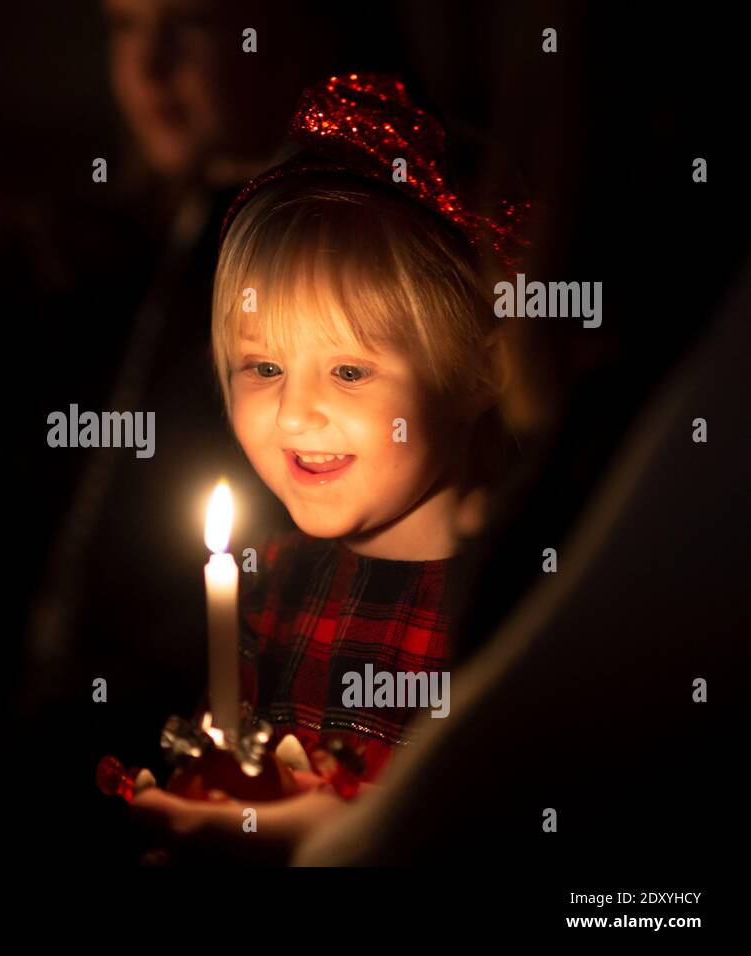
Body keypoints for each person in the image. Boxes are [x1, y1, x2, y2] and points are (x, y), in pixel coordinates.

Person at [129, 73, 530, 845]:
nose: (294, 412)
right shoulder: (269, 583)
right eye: (263, 368)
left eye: (349, 371)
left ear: (481, 372)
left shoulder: (508, 605)